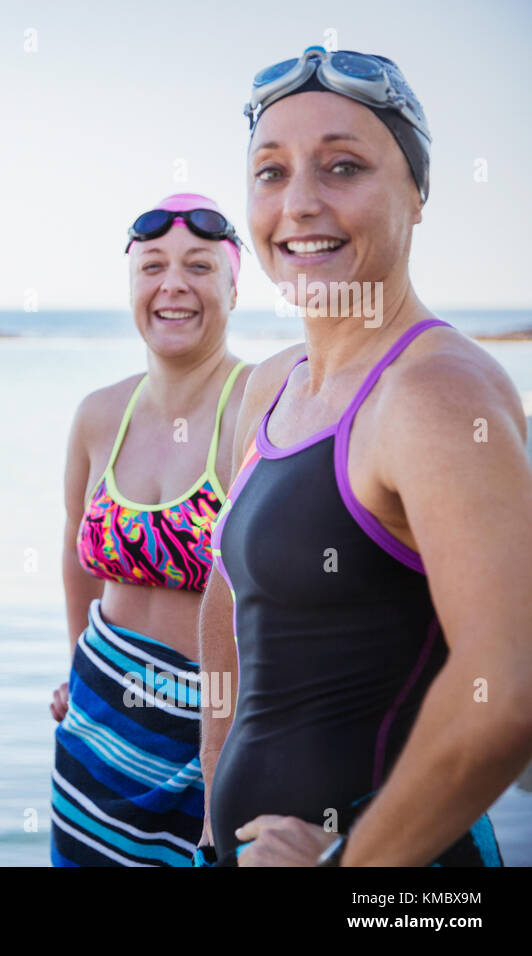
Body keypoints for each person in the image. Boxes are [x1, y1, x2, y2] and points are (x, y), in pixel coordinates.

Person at [200, 47, 532, 866]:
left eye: (343, 167)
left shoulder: (438, 394)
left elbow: (509, 692)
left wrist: (345, 867)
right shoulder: (272, 385)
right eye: (271, 173)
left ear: (417, 193)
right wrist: (214, 802)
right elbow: (229, 610)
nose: (300, 204)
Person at [50, 194, 252, 866]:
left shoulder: (259, 407)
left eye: (199, 266)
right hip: (97, 729)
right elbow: (76, 551)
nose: (173, 286)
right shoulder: (99, 413)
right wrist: (76, 662)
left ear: (233, 284)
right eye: (152, 268)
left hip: (215, 736)